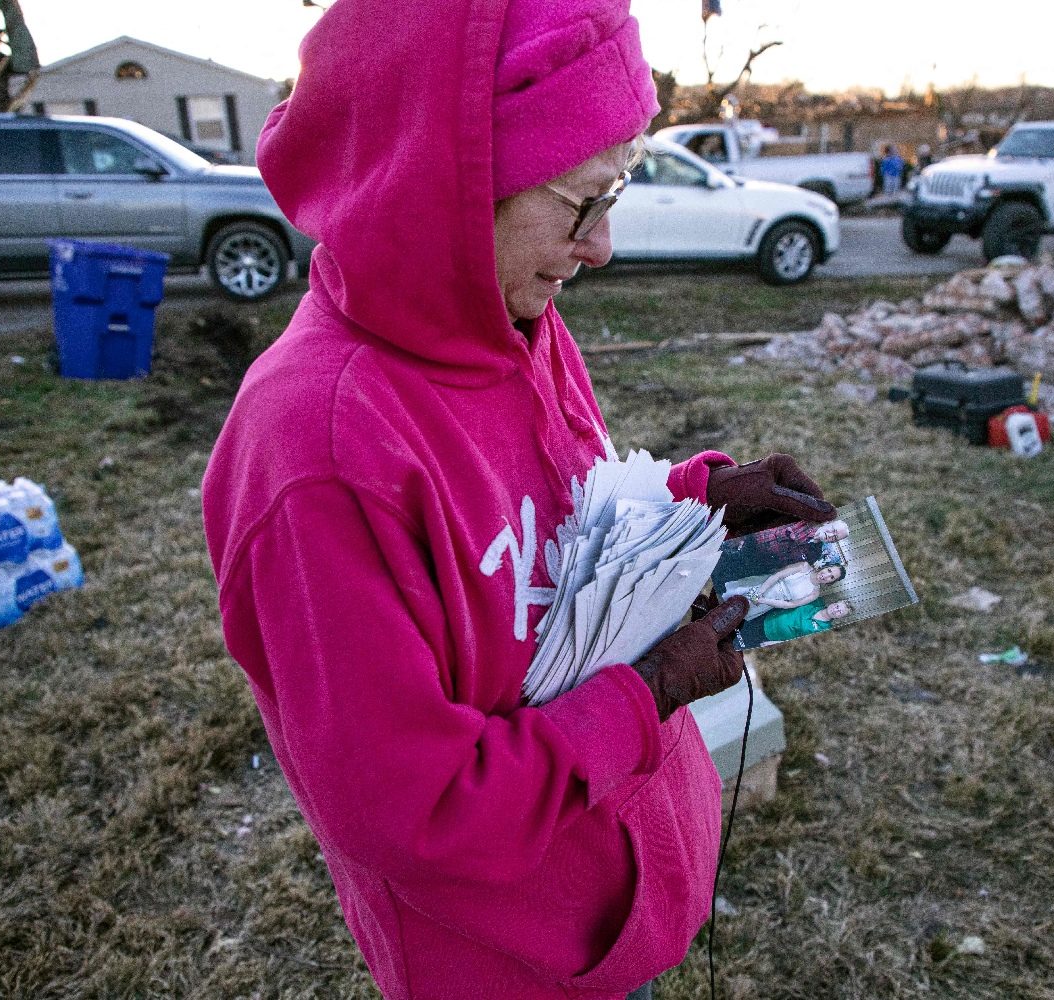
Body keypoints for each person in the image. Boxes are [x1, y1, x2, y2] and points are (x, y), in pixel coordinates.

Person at [200, 2, 835, 999]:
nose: (603, 245)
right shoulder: (314, 452)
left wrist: (702, 498)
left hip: (621, 900)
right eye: (581, 202)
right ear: (446, 186)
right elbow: (415, 809)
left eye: (616, 191)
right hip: (514, 962)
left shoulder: (510, 317)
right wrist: (647, 695)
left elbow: (565, 516)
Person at [721, 561, 845, 620]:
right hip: (764, 585)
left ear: (831, 582)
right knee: (728, 597)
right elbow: (778, 575)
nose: (826, 575)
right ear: (826, 567)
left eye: (831, 577)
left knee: (731, 614)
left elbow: (790, 604)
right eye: (829, 570)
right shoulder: (804, 567)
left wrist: (763, 600)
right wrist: (759, 592)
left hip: (769, 602)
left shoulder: (814, 593)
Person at [737, 598, 853, 649]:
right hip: (765, 618)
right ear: (833, 603)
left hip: (769, 637)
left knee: (736, 644)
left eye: (840, 612)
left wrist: (774, 644)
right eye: (837, 606)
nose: (836, 610)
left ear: (840, 618)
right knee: (733, 628)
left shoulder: (824, 630)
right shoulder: (816, 602)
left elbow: (799, 643)